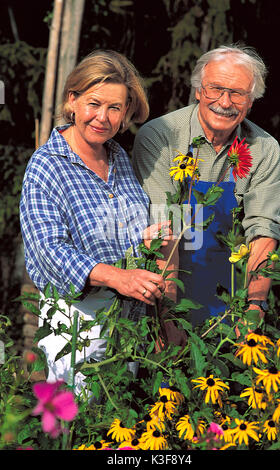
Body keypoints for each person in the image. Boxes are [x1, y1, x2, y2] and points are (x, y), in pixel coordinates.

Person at [20, 50, 173, 392]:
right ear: (72, 100)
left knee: (119, 425)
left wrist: (144, 241)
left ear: (125, 114)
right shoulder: (48, 165)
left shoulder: (118, 156)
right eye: (94, 103)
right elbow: (49, 248)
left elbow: (120, 234)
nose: (102, 117)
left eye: (115, 108)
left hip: (128, 320)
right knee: (78, 428)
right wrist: (117, 276)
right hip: (76, 322)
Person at [132, 44, 280, 328]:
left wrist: (254, 306)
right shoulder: (160, 136)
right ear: (198, 91)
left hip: (227, 297)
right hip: (162, 290)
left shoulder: (264, 149)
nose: (224, 102)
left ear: (251, 102)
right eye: (215, 89)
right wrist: (168, 320)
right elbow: (164, 229)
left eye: (237, 93)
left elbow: (263, 230)